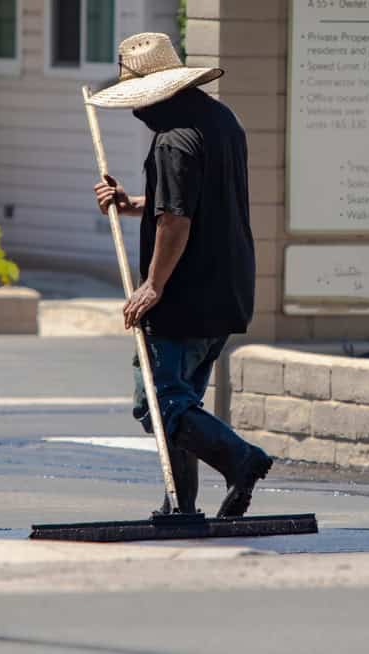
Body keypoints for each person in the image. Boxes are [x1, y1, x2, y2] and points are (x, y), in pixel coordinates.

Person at [89, 32, 272, 518]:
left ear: (163, 93)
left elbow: (176, 221)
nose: (137, 113)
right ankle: (180, 503)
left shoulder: (173, 143)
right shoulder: (222, 122)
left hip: (185, 297)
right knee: (181, 404)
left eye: (140, 101)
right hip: (226, 291)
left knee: (157, 402)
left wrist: (153, 285)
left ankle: (241, 459)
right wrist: (131, 207)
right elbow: (188, 202)